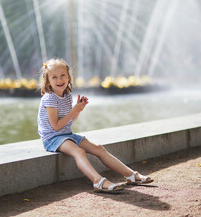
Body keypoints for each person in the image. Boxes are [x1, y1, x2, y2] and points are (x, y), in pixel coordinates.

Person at [37, 58, 153, 193]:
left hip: (65, 134)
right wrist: (74, 110)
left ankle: (131, 175)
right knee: (79, 151)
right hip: (52, 138)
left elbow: (68, 123)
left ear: (68, 77)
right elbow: (56, 127)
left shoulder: (67, 95)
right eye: (54, 77)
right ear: (48, 81)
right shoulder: (49, 98)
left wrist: (78, 110)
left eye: (63, 75)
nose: (59, 80)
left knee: (98, 148)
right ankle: (98, 181)